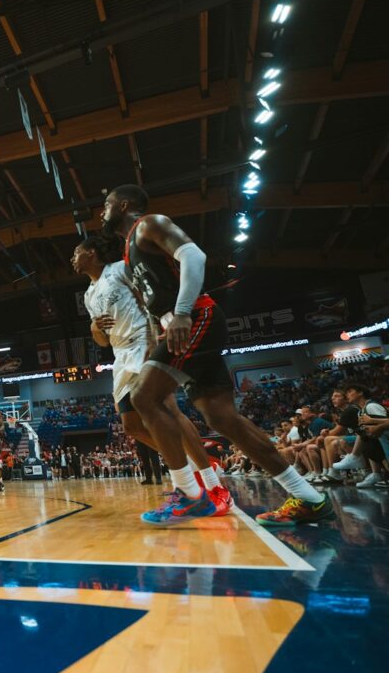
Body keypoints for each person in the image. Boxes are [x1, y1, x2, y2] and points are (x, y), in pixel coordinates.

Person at [100, 184, 331, 526]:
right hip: (181, 324)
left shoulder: (149, 224)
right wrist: (158, 335)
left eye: (106, 204)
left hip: (196, 316)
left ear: (122, 204)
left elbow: (194, 256)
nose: (101, 212)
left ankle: (192, 496)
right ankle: (311, 499)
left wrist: (181, 312)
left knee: (144, 398)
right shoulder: (129, 251)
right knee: (223, 420)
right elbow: (156, 300)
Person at [72, 235, 232, 514]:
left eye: (76, 252)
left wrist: (156, 337)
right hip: (120, 355)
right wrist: (94, 328)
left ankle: (212, 482)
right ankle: (192, 465)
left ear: (91, 252)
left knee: (168, 411)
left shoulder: (120, 269)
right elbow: (102, 341)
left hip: (142, 342)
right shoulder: (88, 294)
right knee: (131, 425)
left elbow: (148, 300)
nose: (73, 258)